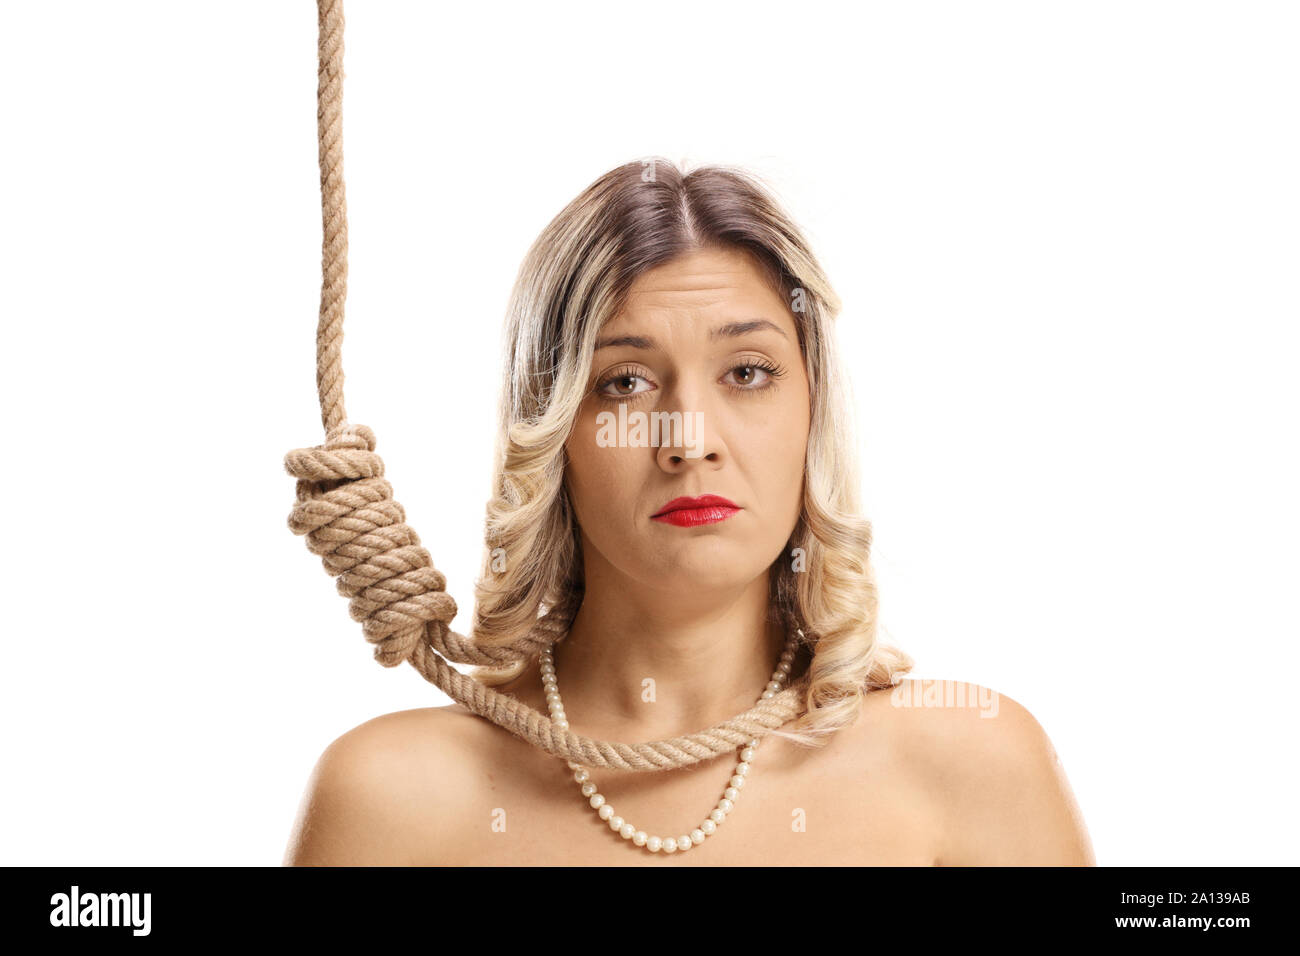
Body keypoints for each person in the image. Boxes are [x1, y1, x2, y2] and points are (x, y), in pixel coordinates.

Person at [283, 158, 1095, 866]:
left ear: (814, 413)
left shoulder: (975, 767)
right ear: (552, 430)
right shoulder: (388, 802)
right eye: (625, 383)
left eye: (746, 372)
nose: (689, 440)